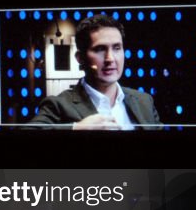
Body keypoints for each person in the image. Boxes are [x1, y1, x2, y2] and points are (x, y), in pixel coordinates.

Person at [31, 14, 161, 130]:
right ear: (80, 58)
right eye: (100, 49)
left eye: (116, 48)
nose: (110, 58)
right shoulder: (58, 105)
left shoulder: (144, 101)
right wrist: (77, 128)